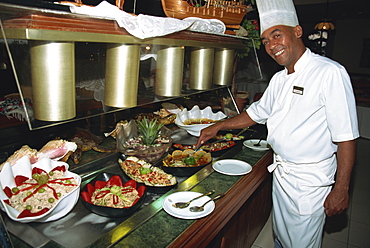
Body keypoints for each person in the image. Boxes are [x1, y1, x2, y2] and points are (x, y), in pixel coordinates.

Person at [196, 0, 359, 247]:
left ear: (297, 31)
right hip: (282, 174)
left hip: (309, 181)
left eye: (276, 35)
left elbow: (346, 136)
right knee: (282, 238)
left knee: (301, 243)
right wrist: (218, 126)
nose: (272, 45)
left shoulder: (329, 73)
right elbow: (255, 114)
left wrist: (341, 188)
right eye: (265, 41)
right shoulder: (279, 79)